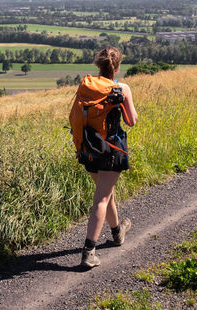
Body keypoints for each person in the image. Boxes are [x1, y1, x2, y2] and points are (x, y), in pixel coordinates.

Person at [80, 46, 137, 269]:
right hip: (111, 149)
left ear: (99, 65)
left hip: (89, 147)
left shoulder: (87, 86)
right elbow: (131, 121)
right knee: (101, 199)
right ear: (118, 66)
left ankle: (117, 233)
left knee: (106, 193)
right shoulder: (121, 88)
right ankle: (89, 251)